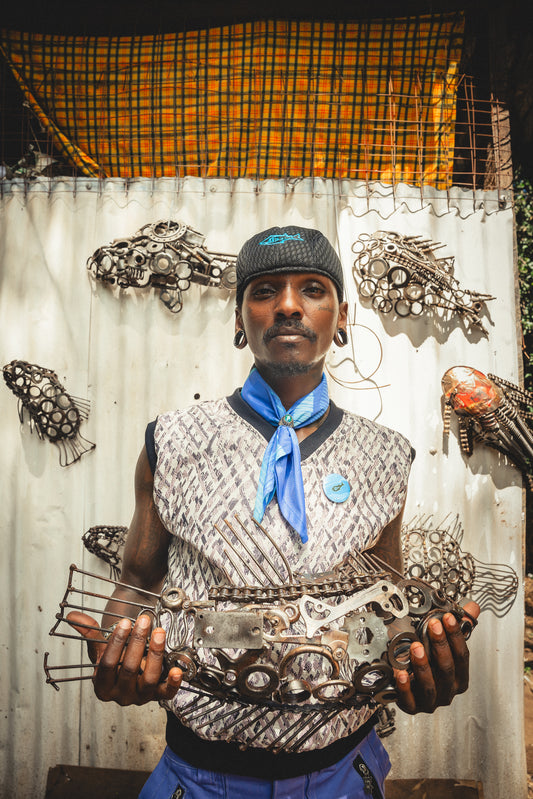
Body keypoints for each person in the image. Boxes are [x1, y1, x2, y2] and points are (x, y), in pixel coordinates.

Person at [68, 225, 479, 799]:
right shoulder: (174, 441)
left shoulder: (385, 455)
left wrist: (420, 663)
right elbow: (137, 579)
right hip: (199, 776)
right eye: (264, 291)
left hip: (342, 773)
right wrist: (119, 654)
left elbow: (386, 598)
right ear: (240, 321)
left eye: (313, 288)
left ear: (340, 320)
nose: (288, 305)